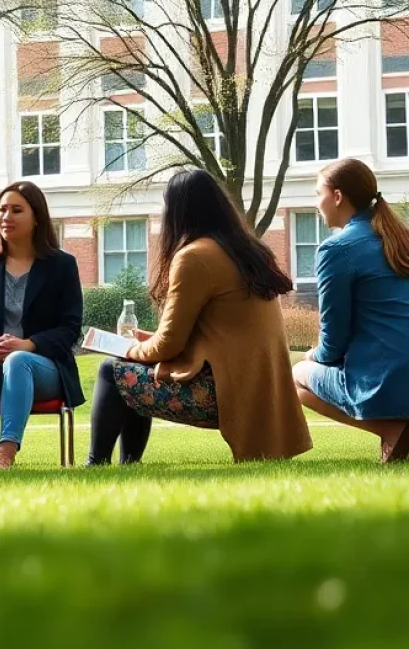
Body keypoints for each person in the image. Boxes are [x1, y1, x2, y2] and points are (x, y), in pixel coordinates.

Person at [88, 169, 311, 465]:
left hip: (219, 396)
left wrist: (129, 348)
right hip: (263, 398)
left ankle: (97, 465)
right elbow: (216, 332)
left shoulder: (194, 257)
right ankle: (128, 465)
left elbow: (168, 346)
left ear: (177, 212)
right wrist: (148, 343)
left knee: (110, 370)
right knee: (129, 367)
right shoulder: (249, 251)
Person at [0, 181, 85, 469]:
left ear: (36, 218)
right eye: (2, 209)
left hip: (43, 370)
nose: (6, 216)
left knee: (19, 360)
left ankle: (5, 457)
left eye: (16, 210)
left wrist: (28, 344)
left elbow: (70, 329)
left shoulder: (62, 266)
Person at [292, 158, 409, 463]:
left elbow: (334, 342)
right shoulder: (400, 239)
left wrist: (312, 354)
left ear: (338, 196)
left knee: (296, 375)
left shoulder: (337, 249)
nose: (317, 204)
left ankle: (390, 430)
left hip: (387, 379)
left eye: (319, 193)